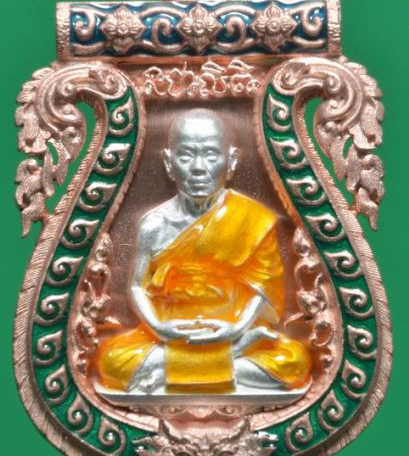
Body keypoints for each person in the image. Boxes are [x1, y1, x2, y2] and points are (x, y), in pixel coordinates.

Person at [95, 109, 312, 393]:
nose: (198, 168)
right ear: (169, 163)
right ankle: (224, 363)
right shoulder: (154, 225)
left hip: (234, 332)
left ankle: (173, 371)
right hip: (170, 335)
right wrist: (159, 328)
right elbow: (137, 287)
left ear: (231, 161)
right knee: (111, 361)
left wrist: (237, 329)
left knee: (294, 362)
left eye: (211, 155)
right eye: (186, 156)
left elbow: (265, 289)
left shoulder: (252, 220)